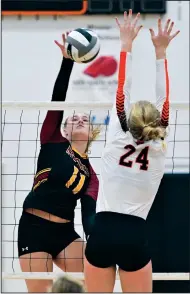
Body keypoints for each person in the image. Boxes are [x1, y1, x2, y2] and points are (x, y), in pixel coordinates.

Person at [84, 10, 180, 293]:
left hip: (101, 231)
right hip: (134, 234)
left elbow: (121, 88)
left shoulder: (116, 136)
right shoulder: (159, 146)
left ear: (130, 117)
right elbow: (164, 98)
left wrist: (125, 44)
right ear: (156, 124)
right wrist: (161, 51)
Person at [17, 32, 99, 293]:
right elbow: (58, 100)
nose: (79, 120)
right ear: (64, 129)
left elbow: (89, 216)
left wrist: (100, 239)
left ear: (92, 132)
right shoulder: (52, 139)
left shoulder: (91, 174)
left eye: (85, 120)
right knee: (40, 291)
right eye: (73, 119)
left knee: (98, 274)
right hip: (34, 227)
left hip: (66, 234)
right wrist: (67, 62)